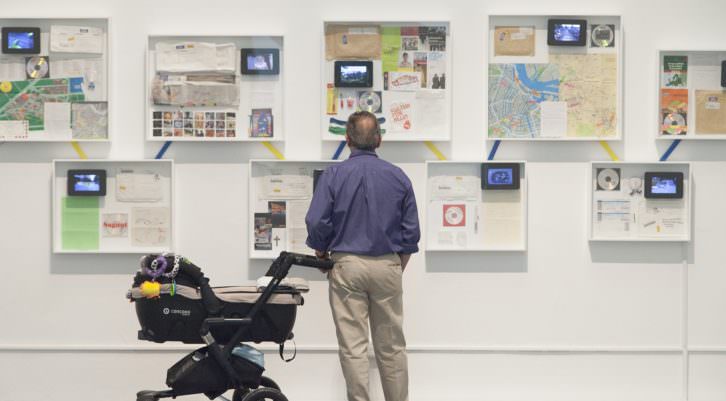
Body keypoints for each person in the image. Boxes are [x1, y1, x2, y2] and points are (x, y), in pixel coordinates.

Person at [305, 111, 420, 401]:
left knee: (353, 346)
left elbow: (317, 221)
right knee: (392, 346)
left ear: (347, 140)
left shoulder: (333, 175)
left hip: (346, 265)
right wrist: (396, 264)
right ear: (379, 140)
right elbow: (411, 232)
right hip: (388, 264)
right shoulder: (399, 177)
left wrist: (322, 251)